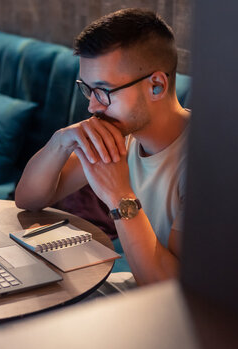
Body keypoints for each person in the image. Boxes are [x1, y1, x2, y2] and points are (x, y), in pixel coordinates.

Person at [15, 8, 190, 286]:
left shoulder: (205, 162)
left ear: (156, 85)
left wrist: (120, 197)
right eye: (87, 88)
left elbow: (170, 290)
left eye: (103, 91)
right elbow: (28, 200)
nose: (92, 106)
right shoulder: (120, 133)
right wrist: (60, 141)